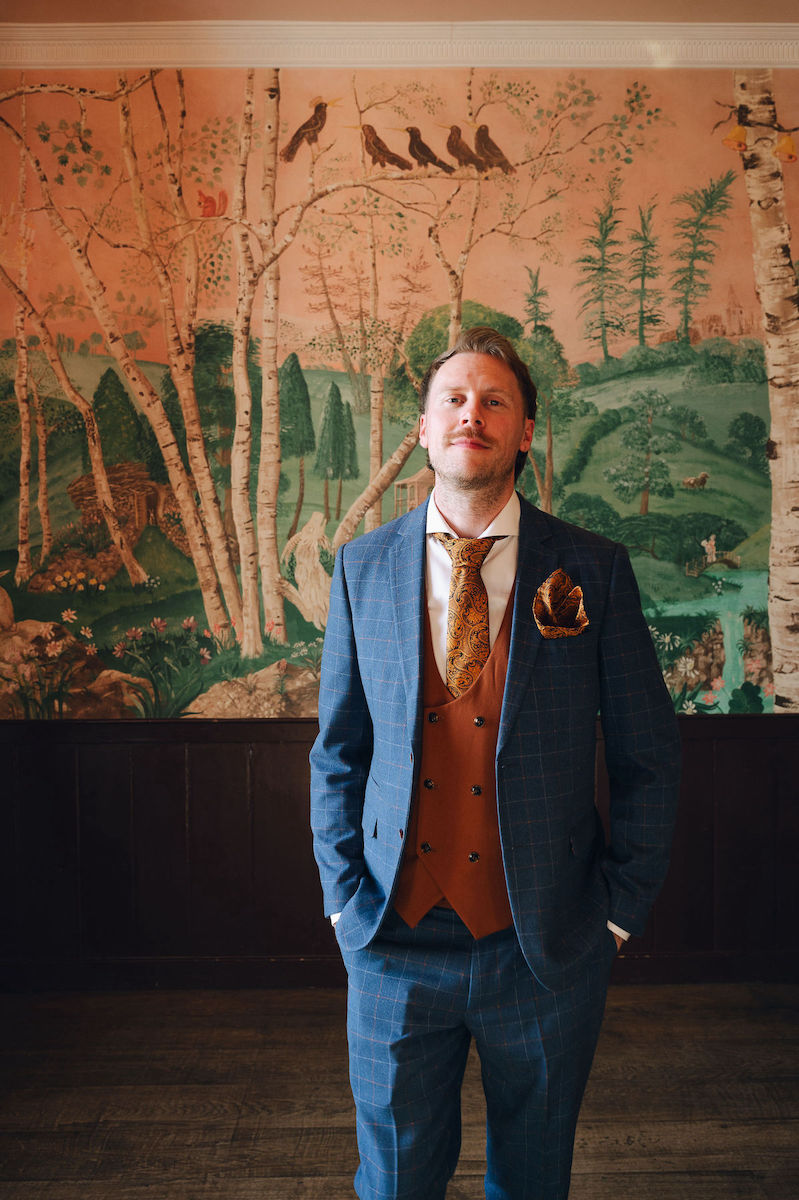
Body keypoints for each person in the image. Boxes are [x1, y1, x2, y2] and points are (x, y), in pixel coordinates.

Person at [310, 326, 681, 1200]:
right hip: (391, 938)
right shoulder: (362, 566)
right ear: (424, 428)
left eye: (493, 401)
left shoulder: (593, 569)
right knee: (394, 1182)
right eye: (453, 399)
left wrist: (614, 916)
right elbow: (337, 752)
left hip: (545, 942)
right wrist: (342, 901)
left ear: (523, 432)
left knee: (533, 1178)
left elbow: (648, 755)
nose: (469, 414)